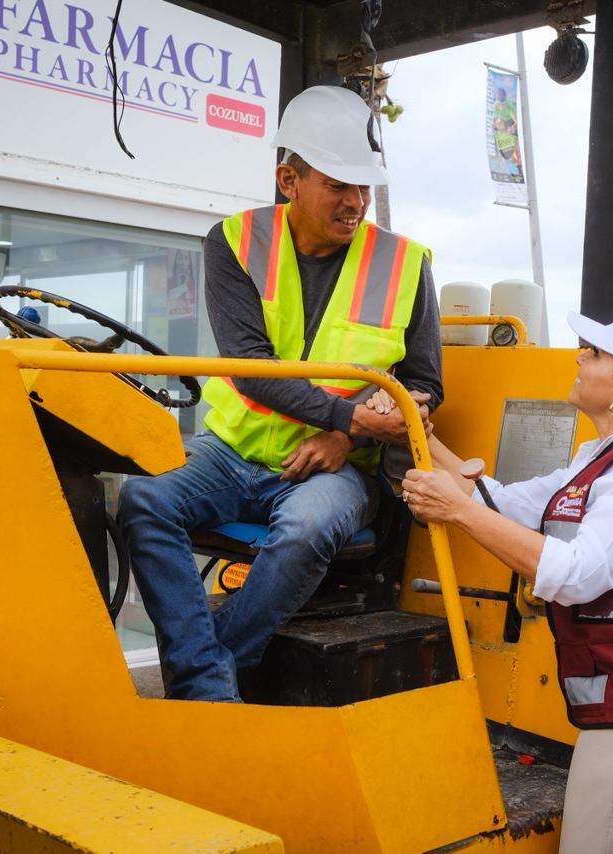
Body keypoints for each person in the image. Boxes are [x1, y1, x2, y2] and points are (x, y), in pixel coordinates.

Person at [119, 86, 443, 702]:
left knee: (305, 527)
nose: (355, 204)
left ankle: (204, 681)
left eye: (363, 188)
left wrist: (346, 436)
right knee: (143, 501)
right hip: (232, 453)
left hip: (340, 471)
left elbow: (426, 386)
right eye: (338, 186)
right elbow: (250, 368)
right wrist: (348, 415)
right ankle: (211, 681)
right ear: (288, 179)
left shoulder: (407, 264)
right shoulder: (235, 241)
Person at [401, 312, 613, 854]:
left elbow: (580, 573)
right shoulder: (603, 457)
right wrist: (421, 435)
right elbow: (502, 503)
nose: (579, 358)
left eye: (596, 354)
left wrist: (455, 514)